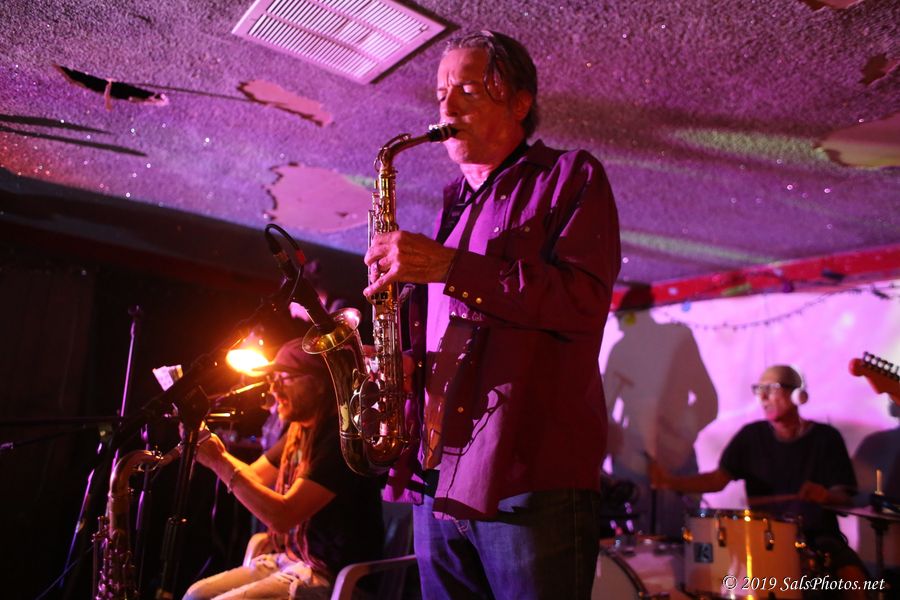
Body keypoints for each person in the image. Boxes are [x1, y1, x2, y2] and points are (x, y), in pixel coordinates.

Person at [363, 30, 621, 599]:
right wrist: (405, 365)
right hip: (437, 474)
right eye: (440, 94)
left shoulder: (570, 175)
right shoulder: (454, 206)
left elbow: (582, 301)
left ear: (520, 103)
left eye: (468, 91)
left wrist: (449, 265)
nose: (446, 108)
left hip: (527, 478)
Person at [182, 339, 384, 600]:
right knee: (196, 594)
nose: (274, 388)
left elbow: (283, 516)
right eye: (274, 378)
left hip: (331, 577)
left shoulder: (340, 441)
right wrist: (210, 447)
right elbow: (253, 477)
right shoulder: (299, 430)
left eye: (285, 378)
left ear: (319, 384)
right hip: (292, 562)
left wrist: (219, 461)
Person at [650, 364, 869, 598]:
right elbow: (716, 480)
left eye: (771, 389)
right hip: (760, 540)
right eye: (759, 389)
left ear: (797, 394)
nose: (762, 397)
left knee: (854, 579)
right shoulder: (751, 436)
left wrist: (825, 496)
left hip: (817, 537)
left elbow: (844, 497)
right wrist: (670, 482)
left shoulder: (826, 438)